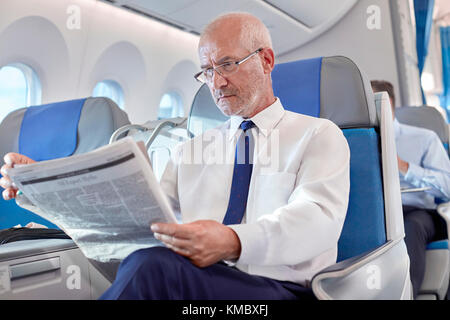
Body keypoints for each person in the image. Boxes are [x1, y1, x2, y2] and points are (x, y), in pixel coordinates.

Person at [0, 13, 350, 300]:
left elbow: (316, 221)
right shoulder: (191, 149)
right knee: (146, 258)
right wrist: (45, 187)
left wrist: (232, 242)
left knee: (154, 268)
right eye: (207, 71)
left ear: (266, 60)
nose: (216, 83)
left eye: (227, 64)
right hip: (199, 286)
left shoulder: (318, 135)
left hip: (279, 292)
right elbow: (140, 219)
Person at [371, 80, 449, 299]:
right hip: (378, 214)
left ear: (388, 104)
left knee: (410, 226)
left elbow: (447, 187)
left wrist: (405, 167)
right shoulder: (356, 143)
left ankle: (408, 295)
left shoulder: (424, 139)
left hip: (418, 211)